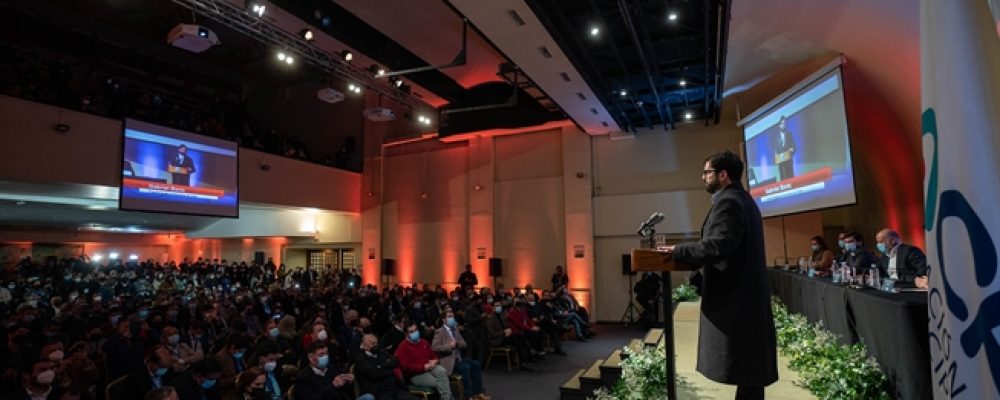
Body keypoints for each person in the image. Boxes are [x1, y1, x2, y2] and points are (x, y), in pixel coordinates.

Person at [661, 150, 777, 399]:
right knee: (750, 372)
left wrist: (678, 250)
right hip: (746, 294)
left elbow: (719, 245)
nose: (703, 177)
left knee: (747, 368)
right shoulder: (743, 199)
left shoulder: (729, 201)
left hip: (736, 297)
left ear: (723, 175)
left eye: (707, 172)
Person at [431, 311, 488, 400]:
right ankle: (468, 396)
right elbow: (434, 347)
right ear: (443, 320)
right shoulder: (439, 332)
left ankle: (478, 392)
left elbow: (464, 343)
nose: (452, 318)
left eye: (452, 316)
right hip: (448, 360)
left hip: (459, 357)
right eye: (449, 317)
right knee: (466, 367)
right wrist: (448, 346)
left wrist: (457, 343)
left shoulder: (455, 329)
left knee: (476, 364)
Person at [393, 322, 452, 400]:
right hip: (416, 374)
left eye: (416, 330)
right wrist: (423, 367)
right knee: (440, 383)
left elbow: (433, 356)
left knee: (442, 371)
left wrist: (435, 360)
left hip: (430, 367)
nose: (415, 332)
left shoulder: (423, 342)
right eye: (411, 332)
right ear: (406, 334)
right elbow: (406, 367)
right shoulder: (402, 347)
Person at [294, 341, 369, 400]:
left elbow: (343, 393)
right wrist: (333, 386)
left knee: (368, 397)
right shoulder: (303, 378)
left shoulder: (330, 368)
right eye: (321, 355)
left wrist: (347, 382)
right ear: (310, 357)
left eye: (326, 354)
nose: (325, 357)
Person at [353, 334, 416, 400]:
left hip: (395, 388)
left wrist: (381, 366)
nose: (376, 345)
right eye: (373, 344)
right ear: (365, 346)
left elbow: (395, 361)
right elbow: (375, 373)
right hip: (379, 392)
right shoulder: (360, 359)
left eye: (376, 343)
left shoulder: (381, 352)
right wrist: (388, 367)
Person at [773, 116, 796, 181]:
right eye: (782, 123)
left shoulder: (789, 134)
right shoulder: (776, 137)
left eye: (785, 123)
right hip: (781, 163)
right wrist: (775, 156)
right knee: (783, 180)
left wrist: (792, 149)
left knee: (791, 179)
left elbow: (794, 146)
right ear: (779, 125)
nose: (783, 125)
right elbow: (775, 150)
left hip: (788, 161)